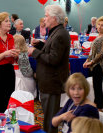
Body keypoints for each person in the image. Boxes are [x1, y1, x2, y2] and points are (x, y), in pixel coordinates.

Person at [28, 5, 70, 133]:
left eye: (46, 16)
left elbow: (53, 59)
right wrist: (40, 44)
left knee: (50, 119)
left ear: (54, 18)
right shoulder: (57, 31)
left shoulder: (60, 34)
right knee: (48, 116)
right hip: (49, 81)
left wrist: (34, 51)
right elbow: (51, 49)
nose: (44, 19)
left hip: (52, 81)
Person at [83, 16, 103, 110]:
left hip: (99, 66)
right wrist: (87, 60)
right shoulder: (98, 35)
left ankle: (99, 107)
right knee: (96, 86)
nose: (99, 27)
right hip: (94, 65)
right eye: (99, 24)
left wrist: (91, 62)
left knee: (98, 87)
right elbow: (92, 51)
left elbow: (102, 53)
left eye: (102, 25)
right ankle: (96, 105)